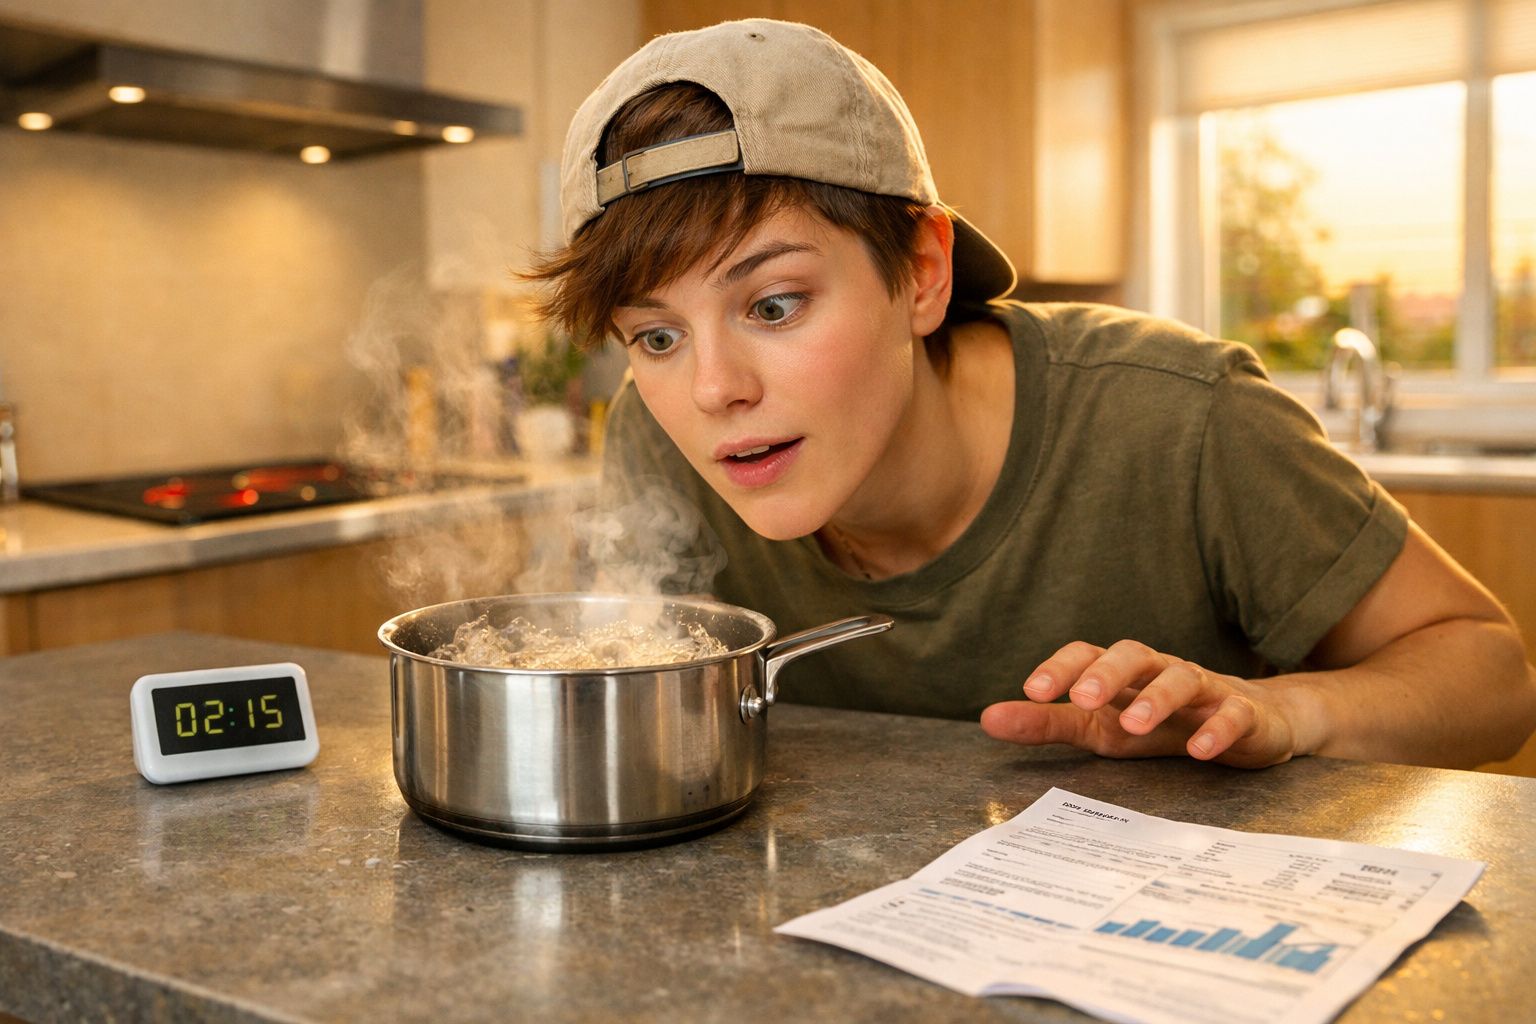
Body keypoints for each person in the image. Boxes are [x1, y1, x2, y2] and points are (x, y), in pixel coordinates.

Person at [526, 18, 1536, 770]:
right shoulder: (664, 450)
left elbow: (1491, 674)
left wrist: (1289, 714)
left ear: (921, 271)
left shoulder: (1183, 421)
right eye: (655, 335)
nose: (712, 389)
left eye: (776, 305)